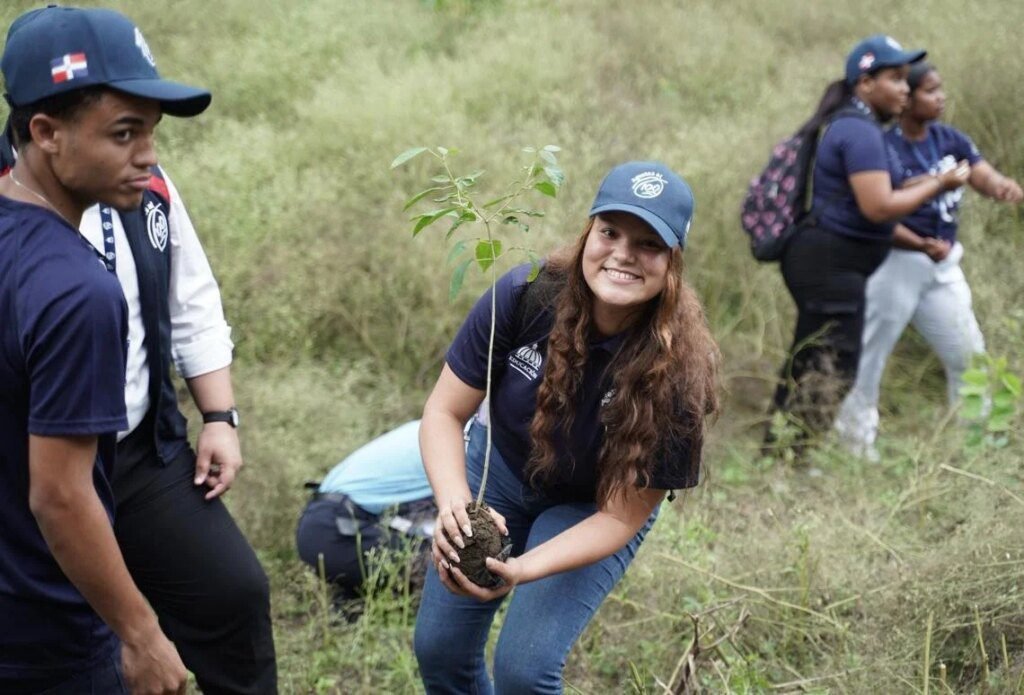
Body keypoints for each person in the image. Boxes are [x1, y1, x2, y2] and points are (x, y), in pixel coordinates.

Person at [0, 17, 277, 695]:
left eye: (151, 130)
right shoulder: (70, 283)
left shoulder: (143, 192)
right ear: (45, 132)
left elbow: (193, 298)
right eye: (126, 132)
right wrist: (141, 634)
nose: (149, 154)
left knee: (233, 592)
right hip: (44, 462)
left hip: (133, 449)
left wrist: (220, 415)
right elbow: (59, 494)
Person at [413, 161, 719, 693]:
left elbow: (621, 518)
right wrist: (454, 504)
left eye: (649, 244)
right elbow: (444, 412)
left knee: (524, 673)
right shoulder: (525, 294)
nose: (623, 253)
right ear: (588, 233)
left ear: (673, 264)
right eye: (610, 232)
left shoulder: (681, 374)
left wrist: (523, 569)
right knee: (439, 650)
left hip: (593, 506)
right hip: (502, 470)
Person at [767, 35, 971, 448]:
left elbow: (891, 186)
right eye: (895, 79)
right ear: (865, 83)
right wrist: (940, 183)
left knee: (814, 357)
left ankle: (784, 454)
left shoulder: (861, 127)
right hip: (830, 264)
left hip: (831, 262)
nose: (904, 89)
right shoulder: (858, 131)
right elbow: (879, 206)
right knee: (831, 362)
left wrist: (932, 181)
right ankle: (793, 458)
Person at [834, 61, 1024, 459]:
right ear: (907, 98)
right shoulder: (884, 146)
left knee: (970, 354)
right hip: (896, 263)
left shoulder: (948, 139)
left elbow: (980, 173)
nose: (941, 98)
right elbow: (879, 212)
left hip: (942, 265)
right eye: (930, 90)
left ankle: (976, 444)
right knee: (870, 354)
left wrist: (1002, 186)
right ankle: (854, 448)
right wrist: (918, 242)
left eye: (941, 90)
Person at [296, 420, 436, 605]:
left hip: (323, 520)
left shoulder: (436, 423)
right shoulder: (463, 440)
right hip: (339, 530)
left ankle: (354, 602)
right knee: (451, 562)